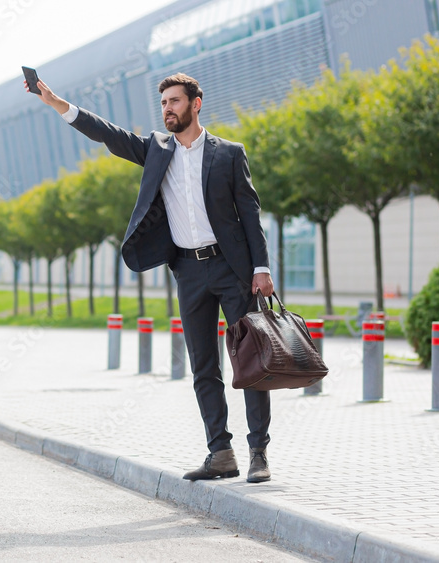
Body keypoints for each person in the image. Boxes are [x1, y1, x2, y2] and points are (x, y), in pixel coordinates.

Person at [29, 73, 275, 483]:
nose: (167, 110)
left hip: (232, 270)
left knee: (249, 363)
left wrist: (260, 269)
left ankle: (258, 453)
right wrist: (57, 103)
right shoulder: (156, 150)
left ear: (196, 104)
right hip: (188, 270)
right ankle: (221, 452)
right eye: (163, 104)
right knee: (203, 367)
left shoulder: (229, 154)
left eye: (175, 102)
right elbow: (107, 133)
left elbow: (250, 213)